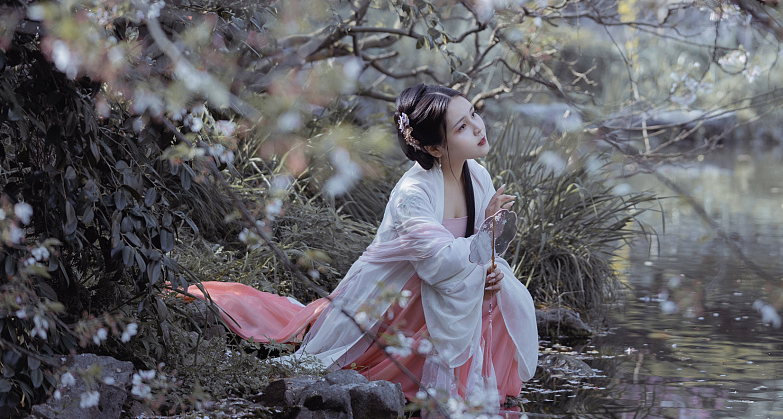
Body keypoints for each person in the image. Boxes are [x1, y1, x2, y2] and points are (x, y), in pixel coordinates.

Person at [185, 85, 539, 409]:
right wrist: (486, 235)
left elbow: (482, 251)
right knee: (335, 362)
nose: (479, 127)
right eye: (462, 126)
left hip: (448, 286)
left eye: (474, 114)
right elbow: (438, 265)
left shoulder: (477, 175)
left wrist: (488, 271)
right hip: (397, 296)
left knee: (502, 291)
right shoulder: (412, 193)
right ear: (433, 147)